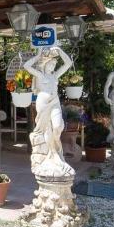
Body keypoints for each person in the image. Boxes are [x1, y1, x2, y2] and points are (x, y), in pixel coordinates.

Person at [23, 45, 74, 177]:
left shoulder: (55, 76)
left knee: (57, 126)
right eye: (50, 65)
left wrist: (60, 50)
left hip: (55, 102)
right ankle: (52, 153)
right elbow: (27, 66)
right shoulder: (39, 75)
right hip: (43, 103)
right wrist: (37, 56)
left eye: (53, 65)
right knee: (47, 129)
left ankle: (56, 150)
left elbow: (68, 63)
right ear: (44, 65)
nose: (52, 67)